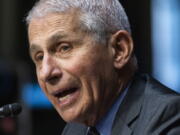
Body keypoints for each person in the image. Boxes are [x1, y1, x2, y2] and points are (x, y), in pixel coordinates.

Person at [26, 0, 180, 134]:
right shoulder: (76, 129)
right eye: (39, 57)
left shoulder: (168, 117)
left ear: (120, 50)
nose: (46, 72)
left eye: (64, 48)